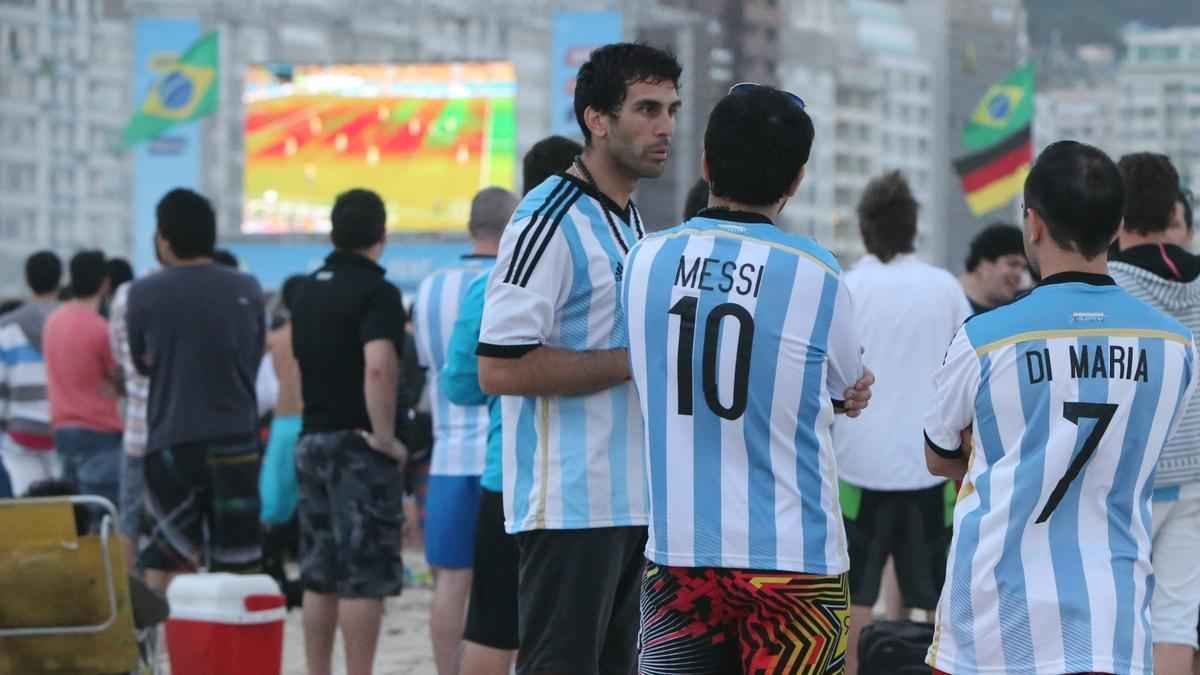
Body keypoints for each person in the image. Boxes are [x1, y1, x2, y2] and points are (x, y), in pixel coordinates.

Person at [623, 83, 873, 674]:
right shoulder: (817, 273)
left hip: (681, 553)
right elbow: (847, 385)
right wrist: (846, 392)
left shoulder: (645, 259)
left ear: (707, 162)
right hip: (795, 563)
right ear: (796, 181)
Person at [924, 140, 1199, 675]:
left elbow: (937, 454)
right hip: (1112, 618)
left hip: (991, 617)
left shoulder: (984, 338)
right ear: (1117, 226)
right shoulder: (1174, 345)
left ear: (1033, 224)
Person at [476, 42, 681, 675]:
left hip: (632, 500)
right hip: (569, 503)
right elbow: (499, 367)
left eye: (672, 109)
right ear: (597, 119)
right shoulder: (548, 214)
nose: (665, 126)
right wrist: (636, 360)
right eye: (647, 109)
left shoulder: (629, 218)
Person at [442, 138, 580, 675]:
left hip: (508, 475)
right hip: (581, 486)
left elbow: (461, 385)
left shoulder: (490, 283)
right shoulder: (610, 267)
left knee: (493, 627)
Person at [833, 171, 970, 674]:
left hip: (856, 469)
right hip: (928, 470)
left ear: (866, 227)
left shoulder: (846, 287)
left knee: (854, 604)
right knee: (937, 607)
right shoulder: (945, 288)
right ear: (912, 227)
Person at [291, 188, 408, 675]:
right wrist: (384, 436)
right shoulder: (378, 292)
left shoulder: (306, 289)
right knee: (364, 576)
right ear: (381, 236)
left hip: (311, 438)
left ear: (333, 234)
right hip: (357, 445)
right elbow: (378, 367)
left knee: (319, 575)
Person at [127, 188, 266, 591]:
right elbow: (252, 355)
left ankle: (161, 651)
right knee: (238, 559)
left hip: (171, 438)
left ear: (164, 238)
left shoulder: (144, 293)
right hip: (236, 438)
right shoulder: (248, 287)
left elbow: (141, 362)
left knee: (167, 555)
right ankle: (231, 646)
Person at [411, 186, 519, 675]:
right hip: (506, 457)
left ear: (471, 226)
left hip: (450, 454)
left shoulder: (431, 286)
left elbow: (432, 370)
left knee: (450, 583)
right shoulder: (515, 278)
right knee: (508, 593)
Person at [1108, 153, 1200, 675]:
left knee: (1119, 612)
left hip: (1131, 475)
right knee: (1177, 618)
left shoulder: (1109, 284)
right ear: (1172, 209)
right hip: (1193, 477)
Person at [42, 250, 122, 514]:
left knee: (74, 517)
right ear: (105, 283)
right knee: (103, 515)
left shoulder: (53, 322)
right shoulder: (100, 328)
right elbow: (119, 378)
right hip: (100, 433)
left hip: (63, 429)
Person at [0, 251, 63, 496]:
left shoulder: (7, 327)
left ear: (28, 280)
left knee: (28, 509)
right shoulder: (69, 322)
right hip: (62, 430)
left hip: (20, 432)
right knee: (66, 507)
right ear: (60, 279)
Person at [107, 267, 149, 572]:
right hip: (185, 432)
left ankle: (128, 607)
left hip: (136, 431)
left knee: (129, 521)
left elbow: (119, 360)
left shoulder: (126, 295)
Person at [959, 222, 1028, 313]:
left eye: (1023, 268)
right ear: (983, 264)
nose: (1019, 274)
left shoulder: (1015, 310)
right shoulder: (948, 303)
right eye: (1013, 264)